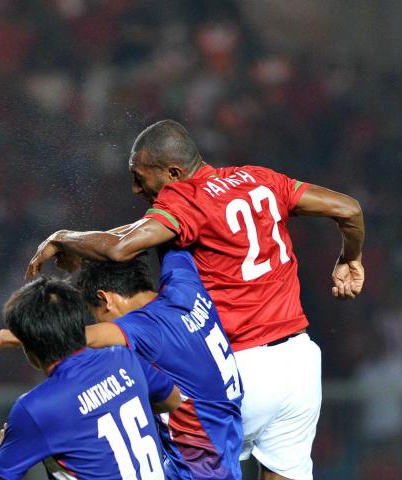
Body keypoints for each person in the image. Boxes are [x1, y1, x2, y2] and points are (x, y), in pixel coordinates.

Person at [23, 120, 365, 480]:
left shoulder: (186, 197)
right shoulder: (259, 179)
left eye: (141, 177)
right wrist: (350, 257)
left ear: (173, 173)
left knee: (127, 444)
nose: (136, 188)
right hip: (299, 366)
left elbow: (125, 247)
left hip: (235, 370)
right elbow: (349, 209)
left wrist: (63, 237)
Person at [0, 249, 244, 480]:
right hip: (231, 436)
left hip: (201, 466)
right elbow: (171, 400)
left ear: (104, 299)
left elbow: (87, 337)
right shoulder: (130, 355)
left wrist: (1, 337)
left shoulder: (36, 408)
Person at [0, 276, 181, 480]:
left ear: (29, 349)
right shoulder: (124, 358)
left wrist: (19, 445)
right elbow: (172, 399)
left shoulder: (36, 408)